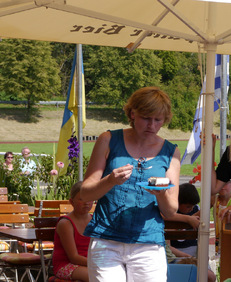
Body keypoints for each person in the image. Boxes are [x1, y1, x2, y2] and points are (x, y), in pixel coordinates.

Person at [81, 86, 180, 282]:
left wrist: (161, 194)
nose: (151, 125)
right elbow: (85, 194)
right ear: (132, 113)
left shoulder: (170, 152)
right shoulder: (108, 139)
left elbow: (171, 211)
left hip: (148, 242)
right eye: (146, 117)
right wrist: (110, 180)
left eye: (158, 120)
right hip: (107, 239)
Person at [167, 183, 216, 282]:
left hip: (194, 253)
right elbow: (168, 246)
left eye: (193, 206)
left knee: (211, 277)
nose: (191, 208)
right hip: (176, 255)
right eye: (188, 206)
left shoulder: (195, 209)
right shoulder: (170, 214)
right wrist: (188, 257)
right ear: (177, 203)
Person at [52, 181, 93, 282]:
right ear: (71, 202)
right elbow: (73, 257)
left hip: (89, 263)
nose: (86, 202)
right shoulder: (66, 223)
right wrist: (96, 263)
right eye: (81, 199)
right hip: (66, 265)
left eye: (89, 199)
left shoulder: (94, 220)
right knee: (96, 277)